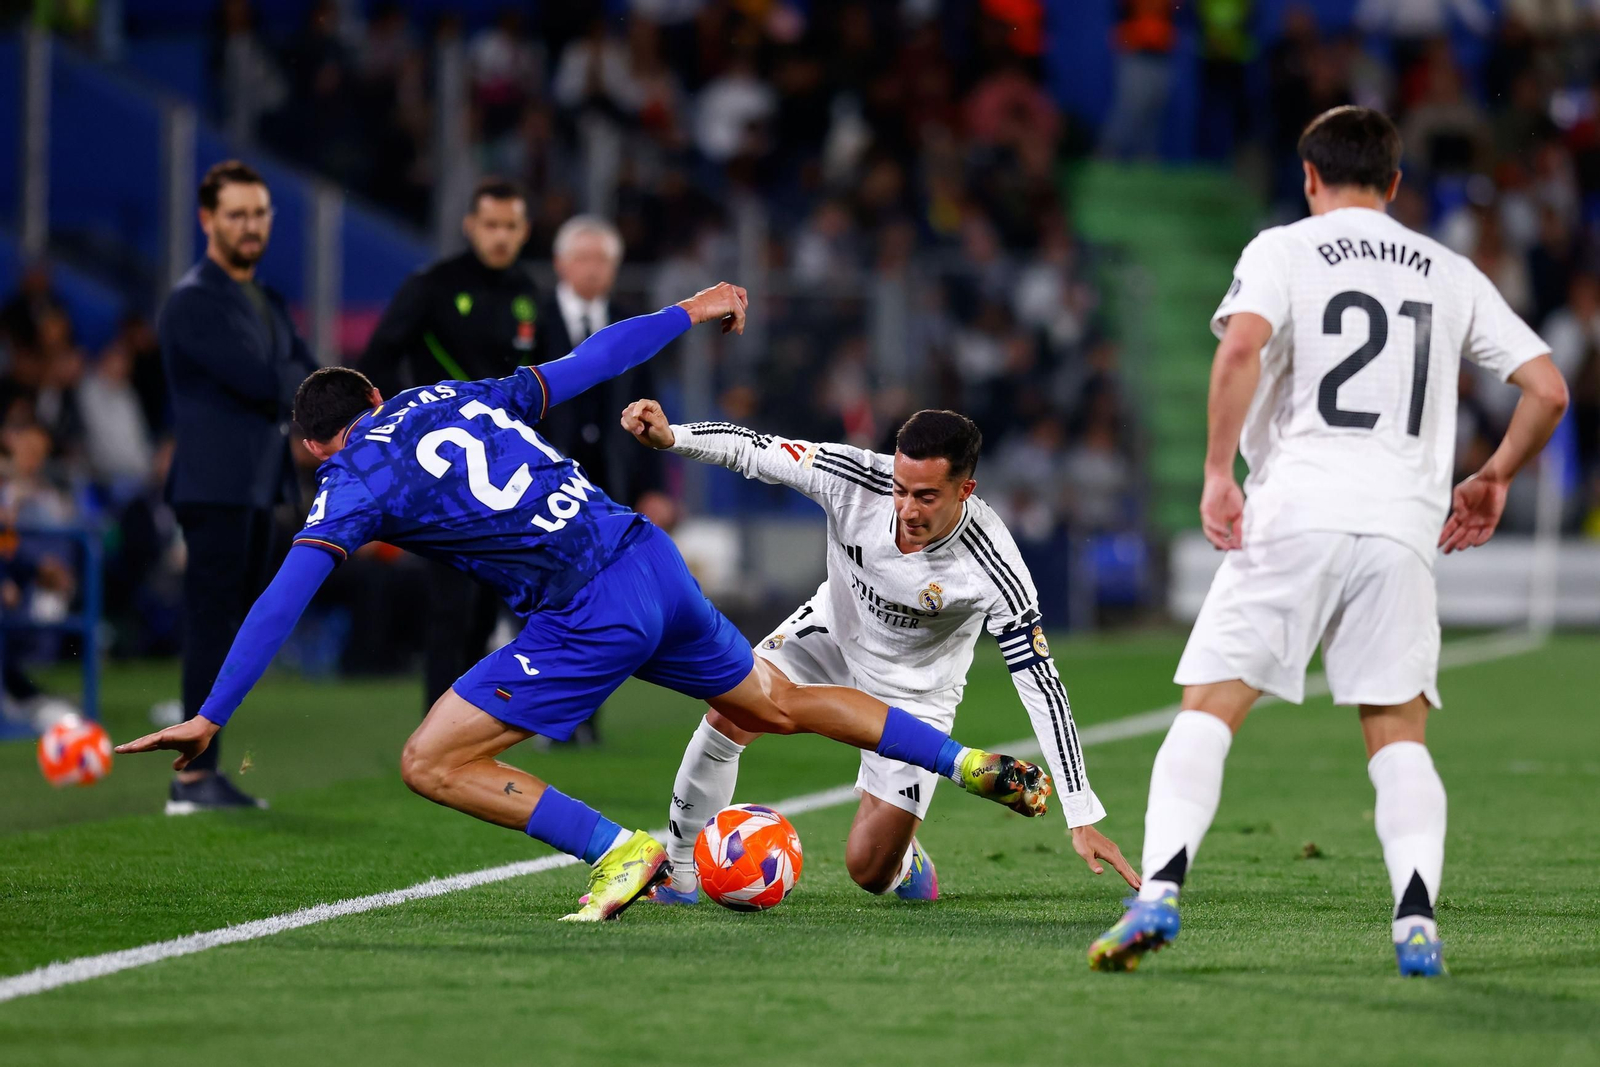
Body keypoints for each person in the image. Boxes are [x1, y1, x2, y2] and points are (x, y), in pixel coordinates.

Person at [115, 286, 1053, 922]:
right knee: (775, 702)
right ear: (375, 391)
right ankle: (963, 759)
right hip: (650, 560)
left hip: (588, 611)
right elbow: (591, 360)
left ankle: (615, 847)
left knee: (430, 759)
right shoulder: (452, 397)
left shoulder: (346, 479)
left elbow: (284, 595)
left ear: (318, 447)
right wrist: (688, 310)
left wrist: (213, 713)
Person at [1087, 107, 1570, 976]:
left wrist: (1217, 472)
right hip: (1402, 527)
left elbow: (1240, 349)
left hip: (1296, 511)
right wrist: (1495, 475)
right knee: (1398, 734)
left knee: (1208, 711)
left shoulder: (1283, 250)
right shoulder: (1448, 270)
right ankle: (1415, 919)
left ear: (1309, 177)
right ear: (1394, 183)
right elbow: (1548, 388)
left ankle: (1158, 893)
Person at [620, 401, 1137, 903]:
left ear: (965, 490)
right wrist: (674, 437)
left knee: (868, 870)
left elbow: (1041, 682)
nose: (908, 509)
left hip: (915, 693)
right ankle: (680, 875)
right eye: (900, 489)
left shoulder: (992, 564)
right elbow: (755, 449)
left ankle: (906, 861)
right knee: (729, 710)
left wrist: (1080, 812)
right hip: (830, 635)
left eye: (927, 496)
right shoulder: (853, 477)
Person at [158, 159, 318, 814]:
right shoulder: (193, 300)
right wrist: (296, 380)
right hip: (214, 487)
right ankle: (193, 781)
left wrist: (299, 379)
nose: (250, 226)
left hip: (255, 486)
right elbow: (264, 379)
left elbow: (306, 374)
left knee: (229, 630)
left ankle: (206, 772)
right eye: (236, 215)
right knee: (212, 627)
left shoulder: (267, 300)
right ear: (207, 220)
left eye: (258, 214)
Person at [359, 177, 542, 717]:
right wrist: (401, 428)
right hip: (444, 471)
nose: (500, 236)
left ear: (524, 231)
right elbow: (378, 358)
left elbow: (551, 376)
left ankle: (471, 726)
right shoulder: (432, 287)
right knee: (450, 604)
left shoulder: (532, 294)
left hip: (511, 470)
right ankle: (434, 730)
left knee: (492, 606)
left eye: (510, 226)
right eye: (491, 225)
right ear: (470, 226)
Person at [531, 215, 670, 745]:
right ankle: (546, 712)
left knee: (605, 601)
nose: (593, 269)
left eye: (603, 260)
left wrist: (655, 487)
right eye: (583, 258)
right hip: (542, 485)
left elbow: (652, 410)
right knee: (550, 597)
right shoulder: (533, 324)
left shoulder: (630, 327)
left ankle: (583, 717)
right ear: (561, 264)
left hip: (611, 487)